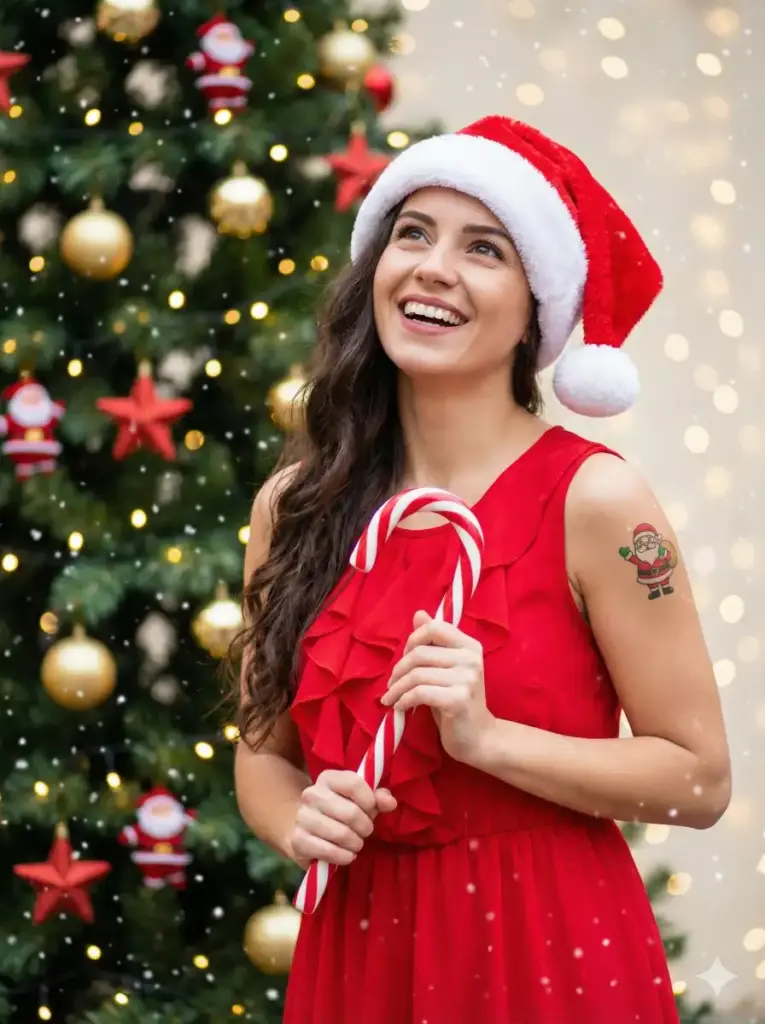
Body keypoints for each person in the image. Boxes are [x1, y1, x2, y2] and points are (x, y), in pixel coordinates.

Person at [232, 116, 731, 1023]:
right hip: (361, 948)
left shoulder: (598, 502)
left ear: (537, 306)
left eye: (484, 248)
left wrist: (488, 738)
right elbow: (262, 754)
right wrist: (297, 820)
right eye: (411, 233)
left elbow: (698, 779)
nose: (431, 266)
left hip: (550, 949)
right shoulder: (294, 506)